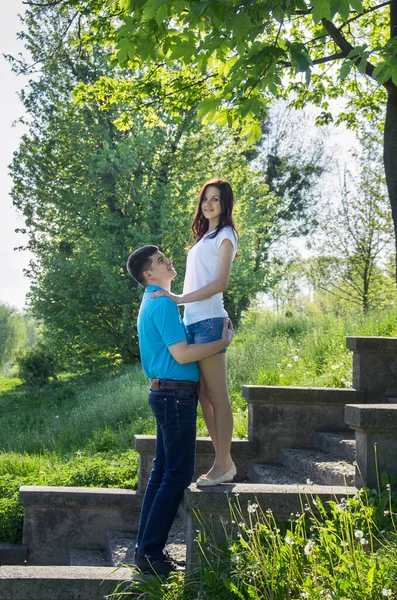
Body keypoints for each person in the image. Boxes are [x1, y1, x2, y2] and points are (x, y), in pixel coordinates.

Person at [126, 245, 233, 577]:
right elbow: (184, 355)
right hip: (173, 396)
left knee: (162, 474)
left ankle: (146, 550)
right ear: (149, 275)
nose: (168, 262)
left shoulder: (154, 301)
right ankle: (151, 554)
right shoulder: (161, 305)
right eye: (160, 261)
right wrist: (222, 342)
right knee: (176, 474)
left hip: (168, 394)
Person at [151, 178, 238, 487]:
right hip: (194, 322)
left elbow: (220, 283)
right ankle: (223, 460)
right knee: (204, 395)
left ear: (225, 204)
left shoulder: (226, 235)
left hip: (210, 320)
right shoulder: (204, 237)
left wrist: (179, 299)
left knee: (217, 395)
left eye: (215, 199)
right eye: (205, 198)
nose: (208, 203)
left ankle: (223, 462)